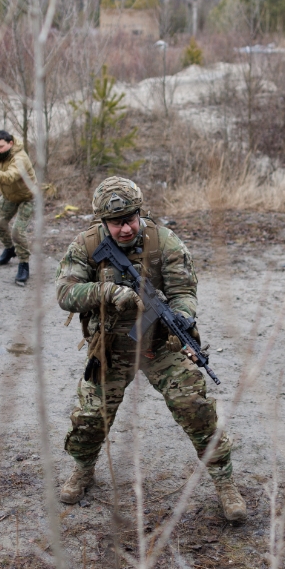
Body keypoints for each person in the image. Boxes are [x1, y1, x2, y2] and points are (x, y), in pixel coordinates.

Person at [54, 176, 246, 522]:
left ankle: (224, 481)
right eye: (116, 222)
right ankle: (83, 469)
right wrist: (109, 293)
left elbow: (184, 290)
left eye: (130, 219)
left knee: (195, 407)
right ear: (102, 221)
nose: (125, 229)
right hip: (112, 346)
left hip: (161, 343)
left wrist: (182, 320)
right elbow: (65, 293)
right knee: (88, 419)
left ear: (140, 212)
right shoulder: (86, 245)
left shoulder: (165, 242)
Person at [0, 129, 35, 286]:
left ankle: (24, 264)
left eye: (1, 147)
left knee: (18, 232)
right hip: (10, 197)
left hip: (27, 198)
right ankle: (9, 249)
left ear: (10, 143)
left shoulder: (20, 158)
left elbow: (9, 177)